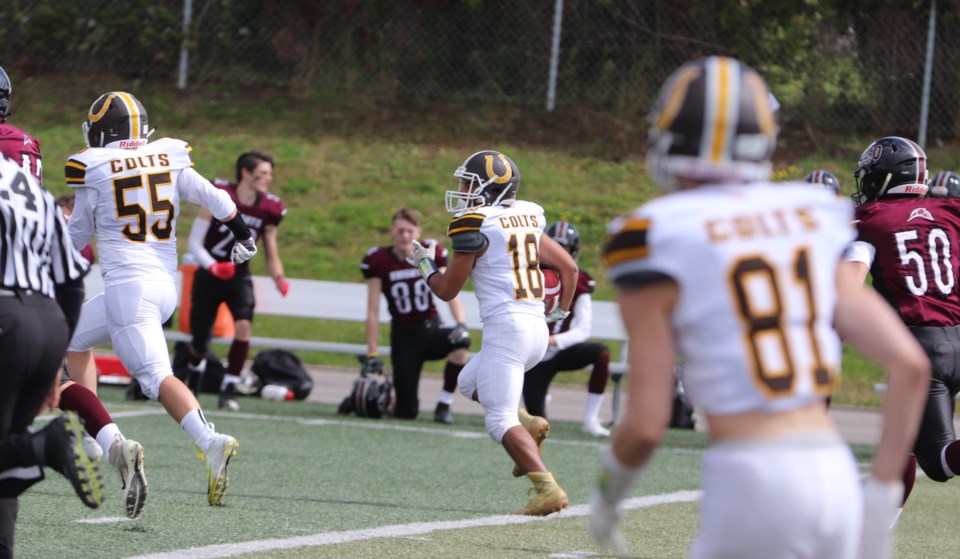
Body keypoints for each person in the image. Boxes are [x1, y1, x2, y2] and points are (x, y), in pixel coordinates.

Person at [589, 56, 929, 559]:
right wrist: (879, 495)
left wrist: (607, 494)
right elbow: (910, 365)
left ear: (669, 134)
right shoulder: (811, 215)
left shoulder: (653, 234)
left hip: (753, 475)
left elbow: (644, 422)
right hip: (832, 470)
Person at [63, 91, 257, 507]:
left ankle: (210, 440)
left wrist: (42, 244)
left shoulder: (94, 167)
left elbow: (77, 235)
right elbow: (217, 198)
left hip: (128, 289)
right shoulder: (168, 155)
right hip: (163, 285)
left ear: (103, 131)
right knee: (73, 339)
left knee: (154, 378)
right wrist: (243, 234)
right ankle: (97, 438)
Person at [0, 68, 145, 519]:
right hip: (43, 305)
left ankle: (45, 447)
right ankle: (97, 439)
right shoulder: (33, 186)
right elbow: (71, 272)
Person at [406, 149, 579, 516]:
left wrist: (422, 262)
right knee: (469, 382)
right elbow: (569, 268)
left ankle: (546, 488)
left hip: (507, 330)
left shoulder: (475, 224)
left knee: (499, 420)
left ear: (491, 189)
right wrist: (560, 310)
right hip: (535, 329)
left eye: (469, 183)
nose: (463, 189)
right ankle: (529, 423)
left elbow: (446, 289)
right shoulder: (529, 216)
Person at [843, 137, 960, 523]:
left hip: (919, 351)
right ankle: (869, 539)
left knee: (940, 462)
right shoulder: (950, 210)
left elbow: (851, 280)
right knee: (901, 447)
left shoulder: (871, 220)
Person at [0, 155, 104, 557]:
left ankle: (44, 447)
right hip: (46, 321)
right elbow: (72, 284)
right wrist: (55, 363)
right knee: (4, 461)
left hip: (6, 318)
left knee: (14, 451)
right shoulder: (31, 188)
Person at [185, 150, 288, 411]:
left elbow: (271, 249)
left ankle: (229, 387)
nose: (268, 179)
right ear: (245, 172)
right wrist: (213, 266)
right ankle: (194, 375)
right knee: (199, 342)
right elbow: (194, 243)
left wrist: (279, 277)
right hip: (209, 274)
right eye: (263, 173)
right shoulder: (219, 195)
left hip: (238, 277)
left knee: (244, 326)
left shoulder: (269, 209)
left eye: (270, 174)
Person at [360, 207, 471, 424]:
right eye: (401, 231)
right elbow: (372, 311)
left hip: (430, 329)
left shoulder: (429, 253)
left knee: (461, 340)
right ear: (392, 231)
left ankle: (444, 404)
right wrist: (372, 352)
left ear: (418, 232)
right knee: (406, 412)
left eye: (410, 231)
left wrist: (461, 323)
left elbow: (449, 290)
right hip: (403, 338)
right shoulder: (379, 260)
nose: (405, 236)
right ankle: (380, 401)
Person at [522, 221, 611, 437]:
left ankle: (590, 419)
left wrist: (552, 340)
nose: (559, 255)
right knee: (540, 424)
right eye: (555, 247)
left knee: (602, 353)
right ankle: (538, 402)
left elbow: (583, 330)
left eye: (566, 250)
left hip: (560, 350)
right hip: (535, 356)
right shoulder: (530, 275)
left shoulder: (580, 280)